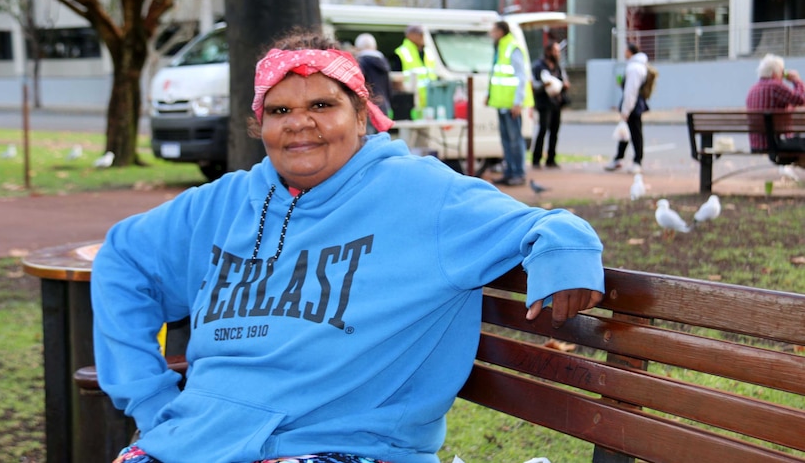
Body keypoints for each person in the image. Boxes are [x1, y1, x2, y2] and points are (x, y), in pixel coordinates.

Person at [92, 30, 605, 463]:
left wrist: (564, 256)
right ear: (260, 124)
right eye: (279, 109)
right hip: (195, 438)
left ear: (362, 115)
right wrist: (149, 397)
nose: (299, 121)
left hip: (348, 446)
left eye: (322, 104)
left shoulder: (425, 194)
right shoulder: (224, 201)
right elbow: (123, 259)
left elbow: (548, 226)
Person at [487, 20, 534, 186]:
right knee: (506, 140)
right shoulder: (500, 47)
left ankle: (518, 173)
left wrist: (517, 102)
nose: (491, 34)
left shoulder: (512, 47)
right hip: (501, 102)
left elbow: (521, 77)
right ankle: (509, 171)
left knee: (515, 140)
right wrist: (489, 94)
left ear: (501, 31)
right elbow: (495, 74)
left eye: (493, 30)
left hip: (511, 104)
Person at [745, 53, 805, 162]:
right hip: (776, 143)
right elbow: (801, 99)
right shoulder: (775, 86)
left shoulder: (753, 89)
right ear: (774, 73)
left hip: (757, 143)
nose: (783, 76)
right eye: (782, 72)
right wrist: (797, 80)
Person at [604, 42, 648, 174]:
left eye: (625, 50)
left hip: (632, 105)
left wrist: (626, 110)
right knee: (627, 133)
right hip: (634, 104)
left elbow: (631, 91)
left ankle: (636, 161)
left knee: (635, 133)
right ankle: (619, 158)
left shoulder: (634, 68)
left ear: (630, 51)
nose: (624, 52)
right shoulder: (638, 65)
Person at [531, 41, 570, 169]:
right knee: (543, 130)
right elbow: (534, 85)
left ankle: (551, 158)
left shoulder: (558, 66)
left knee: (554, 131)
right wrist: (544, 85)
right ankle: (536, 159)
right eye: (555, 51)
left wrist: (564, 85)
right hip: (544, 103)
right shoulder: (538, 66)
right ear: (548, 52)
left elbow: (564, 80)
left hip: (556, 103)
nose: (557, 54)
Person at [354, 33, 393, 134]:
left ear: (357, 48)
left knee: (368, 140)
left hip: (368, 106)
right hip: (383, 105)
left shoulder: (360, 63)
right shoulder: (384, 63)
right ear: (375, 47)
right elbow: (389, 87)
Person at [393, 24, 437, 109]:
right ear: (410, 35)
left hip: (430, 103)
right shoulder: (401, 53)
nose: (422, 36)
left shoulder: (428, 52)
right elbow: (397, 81)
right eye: (419, 34)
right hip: (411, 103)